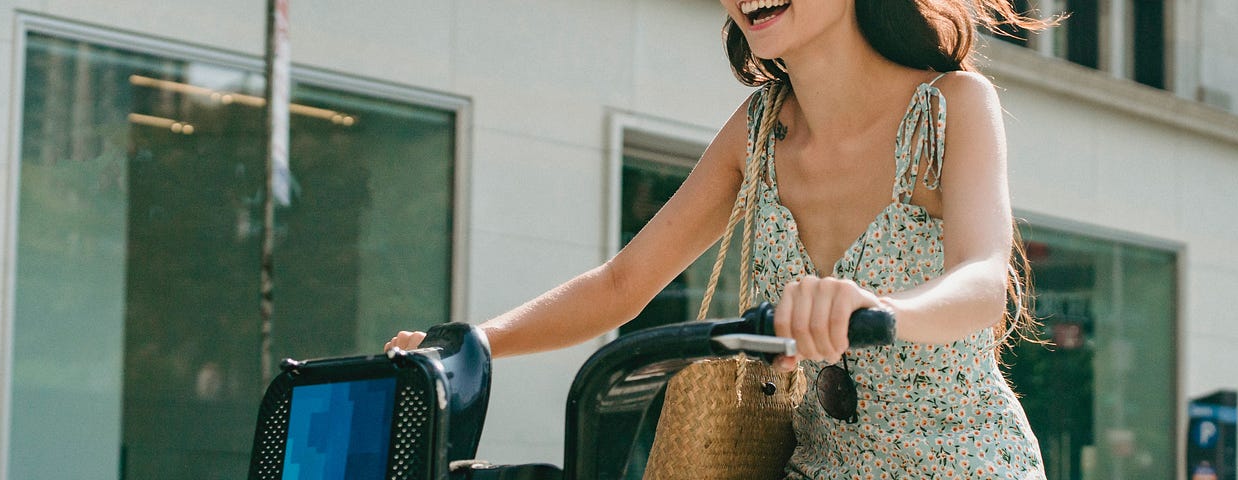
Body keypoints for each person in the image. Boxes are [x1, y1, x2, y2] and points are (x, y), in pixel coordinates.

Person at [389, 0, 1052, 477]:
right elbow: (622, 284)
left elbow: (982, 284)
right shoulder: (758, 129)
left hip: (966, 461)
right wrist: (470, 345)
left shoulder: (951, 106)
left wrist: (879, 311)